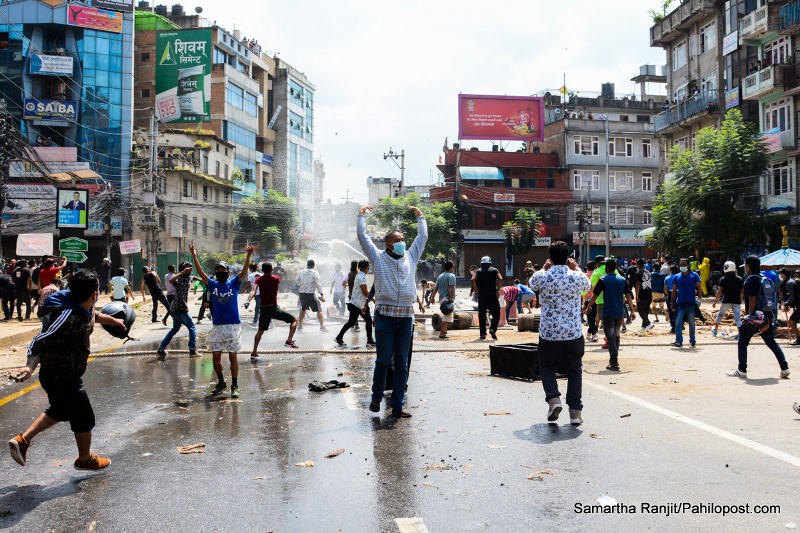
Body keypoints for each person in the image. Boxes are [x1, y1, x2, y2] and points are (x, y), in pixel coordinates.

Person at [7, 269, 125, 470]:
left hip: (63, 374)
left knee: (59, 410)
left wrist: (113, 320)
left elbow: (92, 315)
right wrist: (29, 367)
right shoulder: (67, 316)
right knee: (84, 418)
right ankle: (85, 459)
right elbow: (40, 340)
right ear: (94, 293)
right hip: (61, 376)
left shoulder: (83, 305)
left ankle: (22, 440)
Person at [357, 204, 427, 419]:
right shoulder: (377, 257)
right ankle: (376, 397)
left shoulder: (411, 256)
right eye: (397, 241)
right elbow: (362, 236)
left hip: (406, 317)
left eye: (403, 240)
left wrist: (421, 216)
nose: (402, 243)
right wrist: (361, 215)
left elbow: (422, 237)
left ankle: (398, 404)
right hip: (385, 317)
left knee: (403, 363)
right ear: (388, 244)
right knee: (384, 360)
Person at [529, 241, 590, 425]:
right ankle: (575, 413)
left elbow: (532, 284)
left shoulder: (543, 277)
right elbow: (587, 287)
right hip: (573, 332)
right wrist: (577, 268)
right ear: (567, 257)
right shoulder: (576, 277)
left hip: (549, 333)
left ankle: (554, 399)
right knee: (574, 370)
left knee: (546, 366)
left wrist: (544, 268)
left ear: (550, 257)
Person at [190, 244, 254, 398]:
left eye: (223, 271)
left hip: (232, 325)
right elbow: (200, 272)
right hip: (217, 325)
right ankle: (221, 382)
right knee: (216, 358)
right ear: (215, 273)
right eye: (218, 271)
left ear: (228, 272)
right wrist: (194, 255)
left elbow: (244, 272)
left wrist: (248, 256)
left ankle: (235, 385)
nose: (220, 273)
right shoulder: (212, 284)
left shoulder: (233, 283)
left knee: (233, 356)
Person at [727, 255, 790, 379]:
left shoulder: (750, 281)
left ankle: (742, 370)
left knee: (742, 342)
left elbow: (752, 300)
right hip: (767, 316)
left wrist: (749, 317)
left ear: (748, 266)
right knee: (771, 342)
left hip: (755, 318)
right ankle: (785, 368)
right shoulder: (765, 279)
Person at [585, 258, 636, 372]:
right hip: (619, 313)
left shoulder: (603, 279)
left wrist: (588, 307)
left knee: (611, 338)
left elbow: (595, 296)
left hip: (608, 313)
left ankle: (614, 362)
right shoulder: (622, 280)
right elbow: (628, 297)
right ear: (616, 268)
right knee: (616, 336)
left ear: (607, 268)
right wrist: (632, 311)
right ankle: (613, 360)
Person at [251, 262, 299, 359]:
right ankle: (289, 341)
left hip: (263, 309)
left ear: (262, 270)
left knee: (260, 331)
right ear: (272, 269)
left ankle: (254, 351)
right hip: (273, 308)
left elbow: (254, 290)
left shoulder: (259, 279)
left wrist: (248, 300)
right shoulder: (276, 278)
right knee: (294, 320)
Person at [156, 261, 198, 359]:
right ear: (183, 269)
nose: (190, 270)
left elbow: (194, 277)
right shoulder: (179, 279)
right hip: (180, 308)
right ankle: (192, 350)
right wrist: (183, 272)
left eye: (191, 268)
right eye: (188, 269)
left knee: (175, 329)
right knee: (192, 327)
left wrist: (204, 279)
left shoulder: (188, 278)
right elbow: (171, 280)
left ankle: (161, 349)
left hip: (176, 308)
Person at [335, 259, 375, 346]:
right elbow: (365, 291)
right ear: (365, 267)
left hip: (358, 303)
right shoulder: (361, 276)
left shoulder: (360, 275)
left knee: (363, 321)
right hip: (357, 304)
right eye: (368, 267)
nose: (369, 268)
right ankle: (339, 337)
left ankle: (369, 339)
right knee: (359, 321)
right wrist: (373, 299)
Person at [670, 258, 702, 348]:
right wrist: (672, 302)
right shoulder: (677, 277)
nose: (683, 266)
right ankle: (679, 341)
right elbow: (674, 291)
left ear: (688, 266)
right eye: (681, 265)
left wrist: (699, 298)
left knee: (691, 323)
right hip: (680, 303)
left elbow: (699, 287)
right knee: (677, 322)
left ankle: (692, 341)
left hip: (691, 303)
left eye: (684, 265)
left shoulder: (694, 275)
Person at [472, 256, 503, 340]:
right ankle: (493, 328)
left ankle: (483, 334)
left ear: (481, 263)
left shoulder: (478, 271)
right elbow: (500, 279)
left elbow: (473, 279)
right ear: (490, 263)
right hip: (492, 296)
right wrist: (498, 290)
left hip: (482, 297)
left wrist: (476, 290)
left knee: (482, 315)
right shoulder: (495, 270)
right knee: (496, 314)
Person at [711, 261, 743, 338]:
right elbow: (742, 291)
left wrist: (715, 300)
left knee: (720, 315)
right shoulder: (739, 279)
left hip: (726, 300)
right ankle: (740, 333)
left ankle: (715, 330)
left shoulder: (723, 279)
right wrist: (740, 299)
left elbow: (720, 290)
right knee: (737, 317)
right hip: (736, 301)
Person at [295, 259, 327, 332]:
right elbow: (318, 283)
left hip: (302, 294)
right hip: (310, 294)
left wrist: (302, 285)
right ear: (313, 265)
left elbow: (296, 280)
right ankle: (322, 326)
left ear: (307, 265)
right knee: (319, 309)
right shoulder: (315, 273)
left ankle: (299, 325)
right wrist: (321, 294)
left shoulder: (301, 272)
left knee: (303, 309)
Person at [429, 260, 456, 339]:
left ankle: (444, 332)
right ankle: (442, 333)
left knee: (446, 315)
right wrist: (451, 297)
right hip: (447, 298)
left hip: (441, 299)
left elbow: (436, 288)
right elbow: (451, 287)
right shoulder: (451, 276)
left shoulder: (440, 276)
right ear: (451, 267)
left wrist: (432, 297)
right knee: (447, 316)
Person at [780, 268, 800, 344]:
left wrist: (786, 304)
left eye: (781, 274)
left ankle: (799, 338)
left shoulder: (789, 283)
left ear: (784, 275)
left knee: (791, 322)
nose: (781, 276)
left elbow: (793, 297)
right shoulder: (791, 282)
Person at [635, 258, 653, 331]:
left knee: (640, 309)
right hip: (649, 293)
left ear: (638, 265)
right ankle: (643, 327)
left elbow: (638, 284)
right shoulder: (649, 272)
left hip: (642, 294)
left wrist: (636, 295)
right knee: (646, 310)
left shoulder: (638, 273)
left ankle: (648, 323)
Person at [584, 262, 598, 342]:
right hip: (596, 298)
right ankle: (591, 332)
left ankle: (594, 334)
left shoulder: (585, 276)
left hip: (587, 299)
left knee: (590, 318)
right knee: (593, 316)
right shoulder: (597, 275)